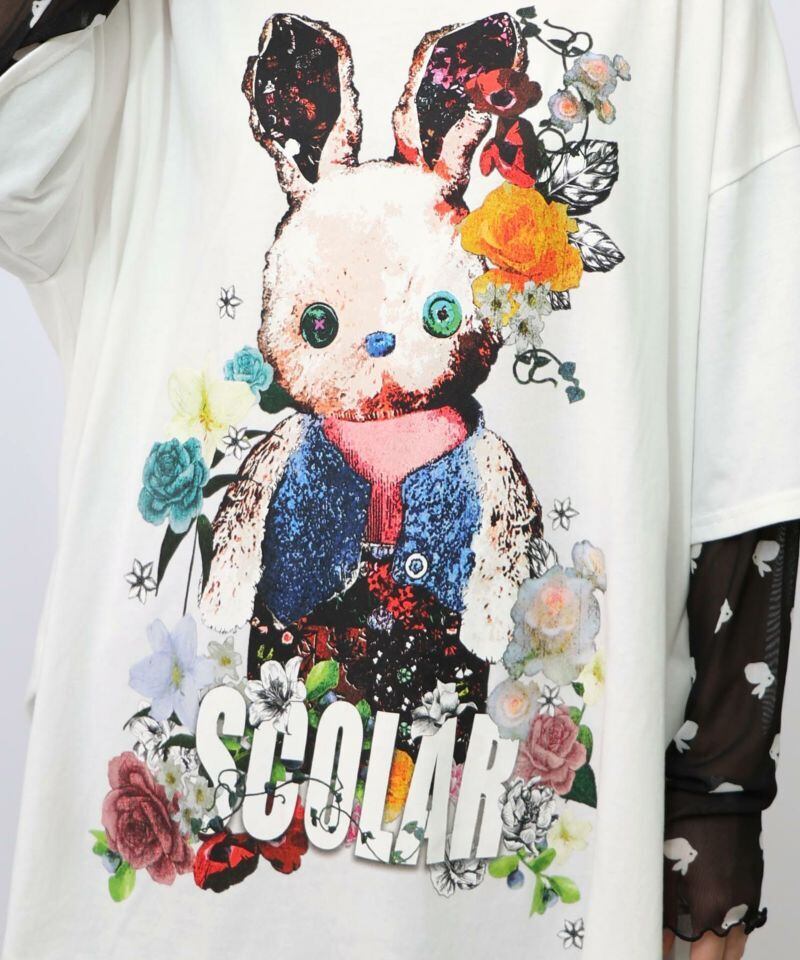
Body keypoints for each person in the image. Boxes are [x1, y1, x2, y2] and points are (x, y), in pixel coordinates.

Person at [0, 3, 798, 960]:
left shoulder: (692, 20)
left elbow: (749, 454)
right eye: (326, 325)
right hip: (178, 904)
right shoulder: (134, 27)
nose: (378, 344)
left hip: (490, 853)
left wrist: (715, 816)